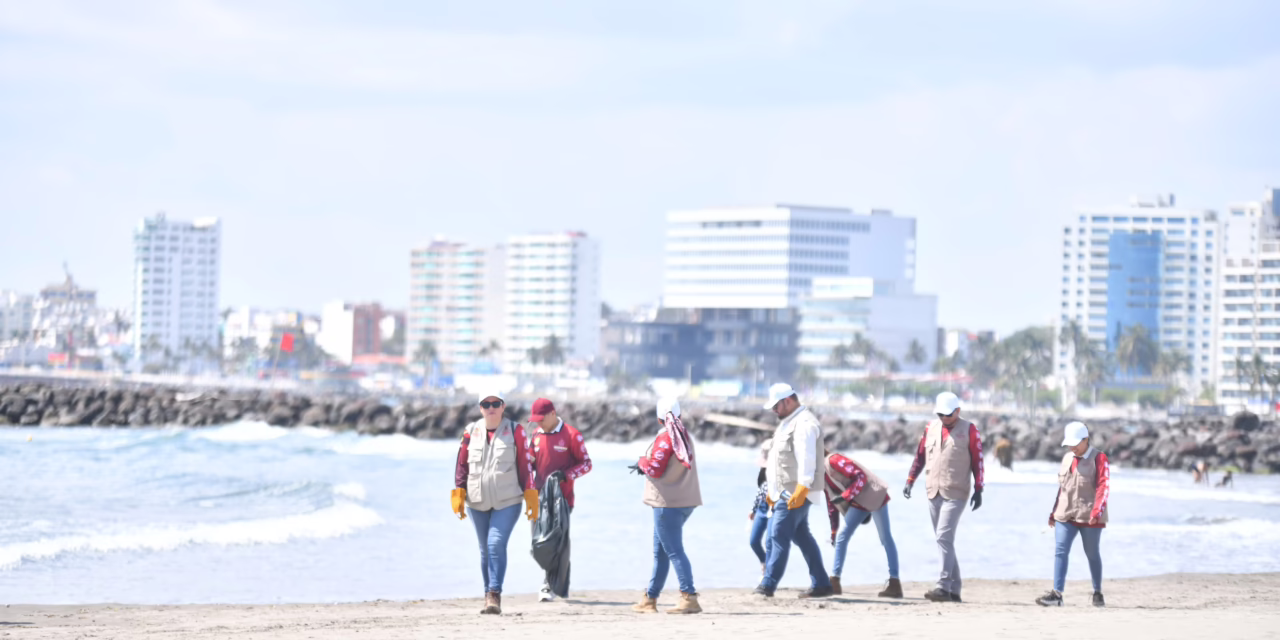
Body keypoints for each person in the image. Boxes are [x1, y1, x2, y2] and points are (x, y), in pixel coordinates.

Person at [452, 390, 538, 615]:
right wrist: (459, 492)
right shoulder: (470, 432)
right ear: (480, 408)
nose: (491, 407)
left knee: (495, 544)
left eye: (495, 403)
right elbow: (462, 464)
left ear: (503, 406)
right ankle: (487, 596)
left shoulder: (515, 431)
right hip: (477, 499)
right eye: (486, 403)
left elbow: (524, 463)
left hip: (508, 500)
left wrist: (530, 494)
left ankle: (494, 594)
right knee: (484, 550)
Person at [754, 383, 834, 599]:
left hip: (796, 491)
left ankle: (767, 585)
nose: (773, 410)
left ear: (787, 401)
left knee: (778, 533)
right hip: (784, 491)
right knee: (802, 536)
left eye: (776, 406)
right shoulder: (788, 423)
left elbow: (807, 459)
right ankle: (821, 583)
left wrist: (801, 490)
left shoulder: (805, 424)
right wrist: (772, 492)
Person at [903, 391, 984, 603]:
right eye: (941, 414)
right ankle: (955, 590)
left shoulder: (969, 430)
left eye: (948, 415)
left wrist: (979, 488)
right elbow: (920, 456)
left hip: (956, 492)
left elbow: (978, 461)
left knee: (943, 537)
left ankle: (942, 586)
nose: (944, 418)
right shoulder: (930, 428)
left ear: (958, 411)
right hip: (933, 490)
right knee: (944, 540)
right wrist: (910, 479)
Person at [630, 397, 703, 614]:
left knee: (673, 551)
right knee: (661, 552)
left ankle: (689, 597)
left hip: (666, 504)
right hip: (684, 500)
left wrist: (642, 462)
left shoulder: (665, 439)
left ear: (659, 418)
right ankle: (650, 598)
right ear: (679, 415)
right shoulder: (684, 435)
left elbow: (655, 469)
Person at [1036, 421, 1109, 608]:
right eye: (1069, 443)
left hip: (1090, 515)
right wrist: (1053, 512)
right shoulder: (1067, 458)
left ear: (1086, 440)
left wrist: (1097, 511)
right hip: (1064, 513)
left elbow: (1103, 487)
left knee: (1092, 554)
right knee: (1060, 550)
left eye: (1076, 443)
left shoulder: (1099, 458)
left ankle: (1097, 592)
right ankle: (1057, 594)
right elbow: (1063, 489)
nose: (1072, 447)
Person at [527, 397, 592, 602]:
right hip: (537, 498)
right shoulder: (536, 434)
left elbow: (586, 464)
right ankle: (553, 582)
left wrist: (566, 475)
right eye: (535, 419)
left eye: (541, 419)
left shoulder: (572, 435)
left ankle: (549, 585)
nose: (538, 423)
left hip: (562, 500)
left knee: (555, 543)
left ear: (553, 414)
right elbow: (529, 462)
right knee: (539, 543)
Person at [823, 448, 901, 598]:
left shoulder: (834, 460)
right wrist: (833, 530)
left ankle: (894, 583)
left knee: (885, 539)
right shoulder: (820, 474)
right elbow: (831, 503)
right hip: (858, 502)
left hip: (873, 495)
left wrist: (845, 496)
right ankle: (835, 581)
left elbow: (860, 476)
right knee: (841, 536)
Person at [748, 441, 772, 572]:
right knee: (754, 541)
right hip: (762, 507)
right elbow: (760, 490)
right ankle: (764, 562)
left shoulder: (785, 471)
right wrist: (753, 509)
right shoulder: (764, 471)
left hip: (776, 508)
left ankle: (769, 572)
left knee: (771, 542)